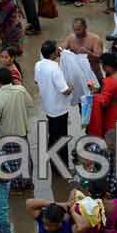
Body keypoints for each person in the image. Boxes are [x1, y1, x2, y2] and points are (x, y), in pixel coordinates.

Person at [35, 40, 73, 171]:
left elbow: (36, 81)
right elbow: (65, 91)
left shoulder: (38, 65)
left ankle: (53, 162)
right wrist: (72, 86)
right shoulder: (55, 68)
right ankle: (62, 167)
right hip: (59, 110)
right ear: (52, 54)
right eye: (57, 49)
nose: (59, 51)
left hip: (48, 107)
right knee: (61, 139)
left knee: (53, 135)